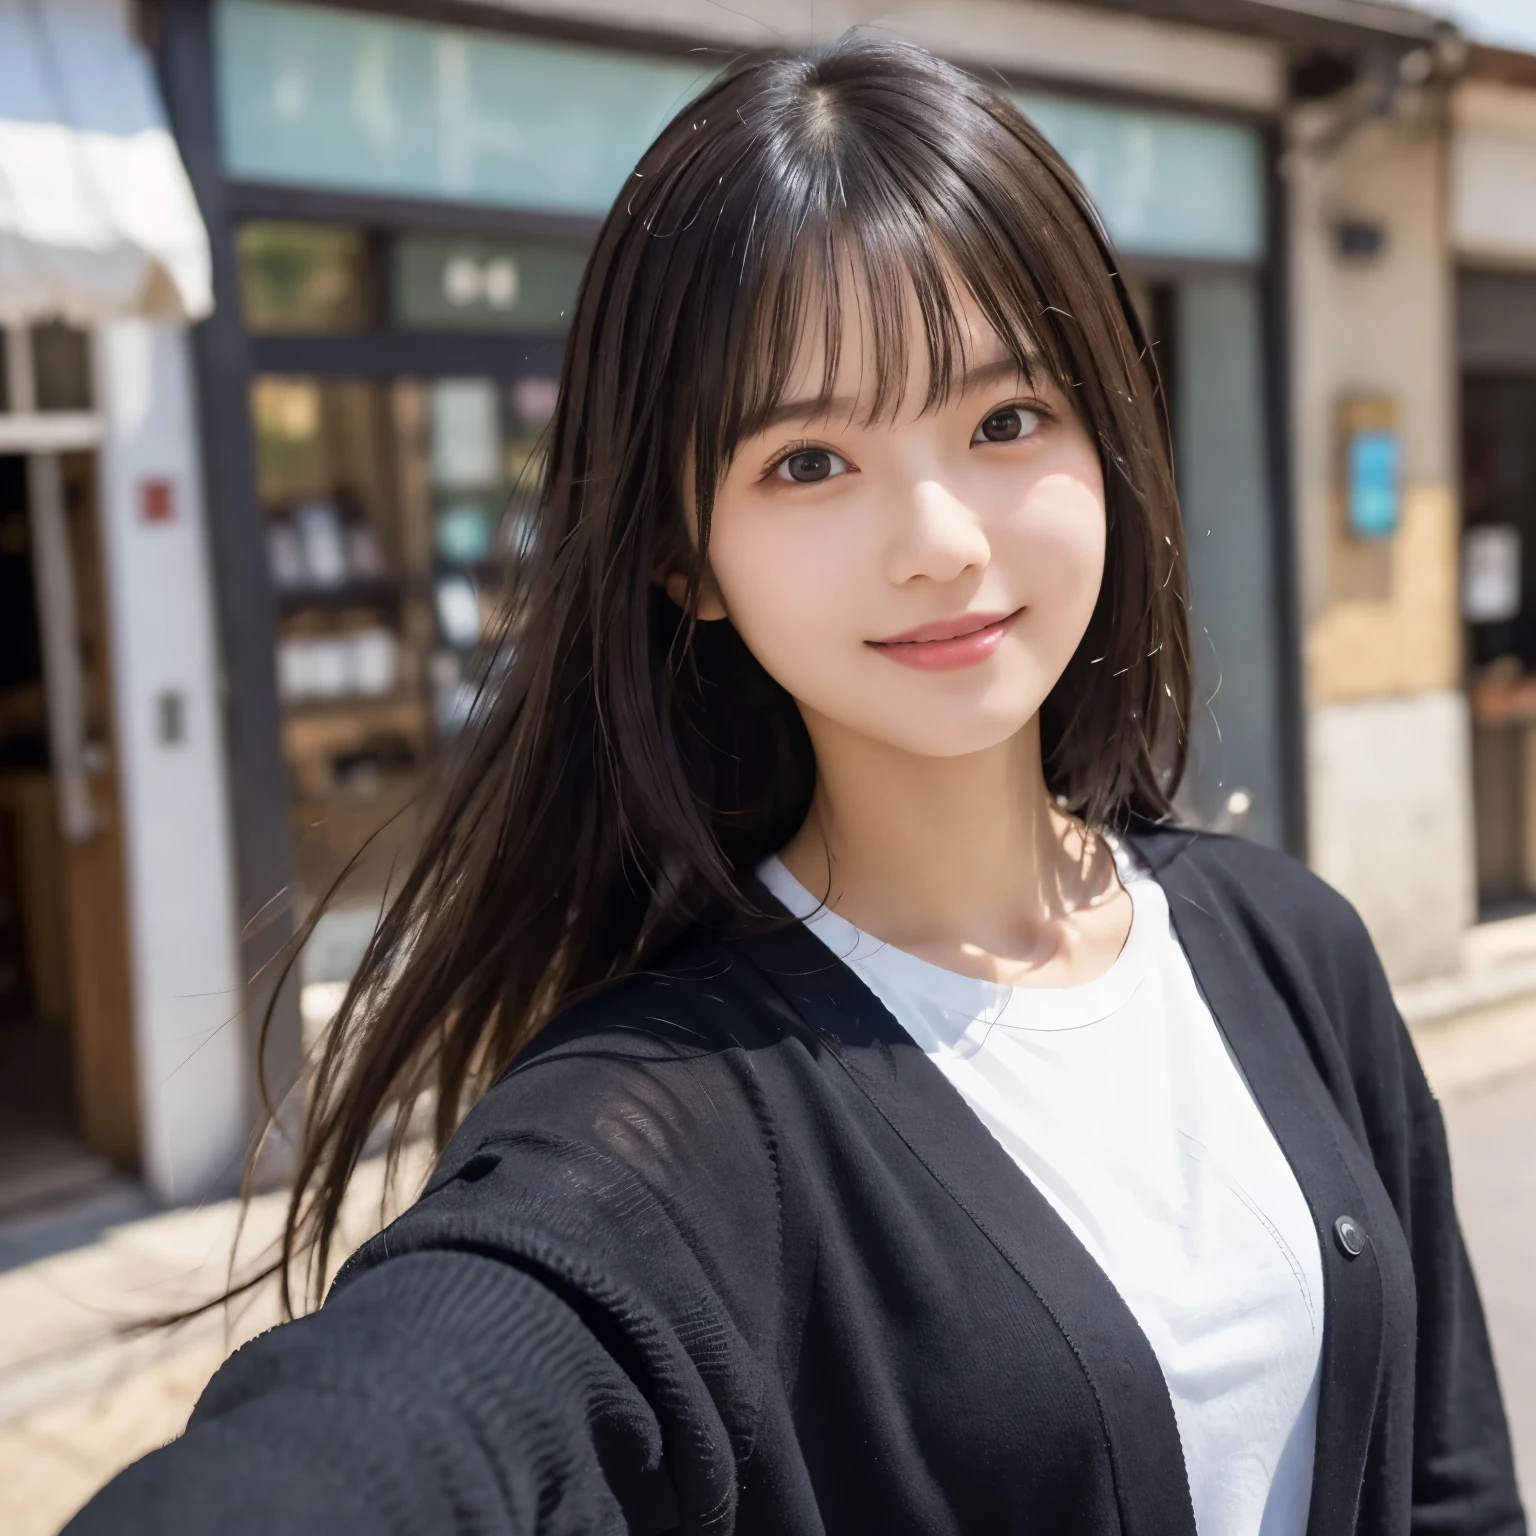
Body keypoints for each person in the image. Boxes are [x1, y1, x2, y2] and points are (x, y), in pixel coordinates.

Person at [69, 34, 1523, 1536]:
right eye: (810, 461)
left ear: (1111, 440)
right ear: (682, 554)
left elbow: (1455, 1486)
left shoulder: (1294, 949)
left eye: (1006, 420)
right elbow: (418, 1402)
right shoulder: (668, 1121)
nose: (941, 537)